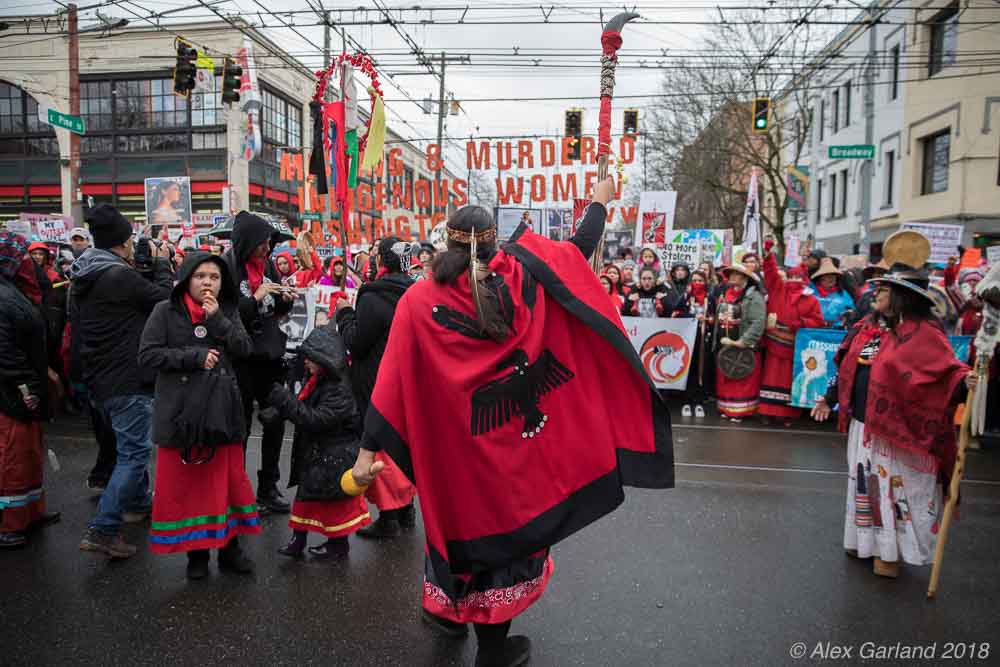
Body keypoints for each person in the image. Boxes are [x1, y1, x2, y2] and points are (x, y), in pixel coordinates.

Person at [350, 177, 673, 667]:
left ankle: (450, 615)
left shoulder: (418, 301)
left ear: (446, 243)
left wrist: (366, 455)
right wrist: (601, 200)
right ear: (493, 243)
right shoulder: (526, 276)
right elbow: (578, 248)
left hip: (457, 457)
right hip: (517, 457)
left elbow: (390, 382)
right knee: (506, 542)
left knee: (458, 530)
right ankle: (492, 652)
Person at [811, 259, 975, 578]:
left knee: (892, 492)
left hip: (896, 434)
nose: (875, 293)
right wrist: (829, 398)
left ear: (902, 297)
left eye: (883, 289)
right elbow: (847, 366)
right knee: (865, 486)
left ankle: (890, 553)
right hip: (863, 426)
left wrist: (963, 381)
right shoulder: (867, 327)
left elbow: (945, 371)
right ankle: (864, 542)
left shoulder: (923, 332)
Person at [138, 252, 259, 579]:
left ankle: (230, 549)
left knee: (225, 484)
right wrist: (193, 357)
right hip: (182, 413)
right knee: (190, 487)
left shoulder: (228, 310)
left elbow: (244, 349)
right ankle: (197, 554)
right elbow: (148, 355)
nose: (208, 283)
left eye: (215, 277)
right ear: (187, 278)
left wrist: (217, 318)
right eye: (201, 276)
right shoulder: (164, 311)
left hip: (220, 412)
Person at [73, 204, 174, 559]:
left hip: (100, 376)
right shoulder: (118, 276)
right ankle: (103, 530)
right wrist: (162, 264)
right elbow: (164, 300)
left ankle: (138, 503)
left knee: (127, 448)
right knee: (134, 454)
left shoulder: (87, 273)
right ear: (123, 242)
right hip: (126, 378)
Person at [334, 237, 418, 538]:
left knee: (379, 446)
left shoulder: (373, 296)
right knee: (403, 443)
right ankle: (406, 509)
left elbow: (356, 342)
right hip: (408, 380)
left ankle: (389, 516)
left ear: (381, 260)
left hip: (377, 381)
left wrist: (345, 313)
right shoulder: (416, 292)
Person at [268, 326, 372, 560]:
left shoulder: (339, 389)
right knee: (306, 499)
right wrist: (278, 411)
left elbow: (315, 420)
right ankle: (298, 541)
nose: (305, 362)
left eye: (310, 358)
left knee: (334, 505)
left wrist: (284, 401)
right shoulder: (321, 378)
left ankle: (337, 545)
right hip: (320, 453)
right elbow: (304, 406)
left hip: (334, 456)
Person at [223, 211, 296, 514]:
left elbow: (274, 304)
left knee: (275, 421)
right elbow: (228, 315)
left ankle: (268, 487)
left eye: (269, 243)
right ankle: (237, 493)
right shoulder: (227, 268)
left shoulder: (266, 266)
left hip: (269, 355)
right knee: (239, 427)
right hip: (241, 359)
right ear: (247, 242)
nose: (267, 249)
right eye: (262, 243)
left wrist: (285, 298)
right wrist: (255, 298)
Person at [0, 233, 61, 548]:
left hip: (24, 389)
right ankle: (9, 524)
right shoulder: (5, 296)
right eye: (23, 255)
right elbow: (5, 354)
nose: (29, 261)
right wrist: (27, 386)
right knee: (12, 458)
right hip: (12, 393)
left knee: (30, 455)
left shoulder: (15, 290)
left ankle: (31, 512)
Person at [757, 242, 825, 426]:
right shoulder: (778, 289)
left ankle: (788, 413)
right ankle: (767, 411)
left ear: (804, 279)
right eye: (791, 276)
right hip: (773, 343)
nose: (794, 280)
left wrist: (801, 323)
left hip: (795, 346)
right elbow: (770, 273)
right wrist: (768, 255)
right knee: (770, 377)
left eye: (798, 277)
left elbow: (818, 321)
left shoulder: (811, 299)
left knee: (791, 381)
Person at [714, 264, 766, 422]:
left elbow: (758, 322)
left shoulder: (754, 297)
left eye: (736, 274)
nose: (732, 277)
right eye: (730, 274)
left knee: (742, 378)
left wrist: (744, 341)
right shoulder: (725, 294)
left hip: (744, 348)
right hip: (725, 346)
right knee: (726, 378)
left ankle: (740, 412)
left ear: (745, 278)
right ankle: (727, 408)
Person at [681, 269, 715, 418]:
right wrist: (691, 316)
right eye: (694, 280)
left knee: (702, 370)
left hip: (703, 340)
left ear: (705, 282)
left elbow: (714, 317)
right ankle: (687, 401)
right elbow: (676, 313)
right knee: (688, 369)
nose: (697, 283)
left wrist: (707, 320)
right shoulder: (686, 297)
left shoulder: (710, 298)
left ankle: (699, 401)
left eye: (700, 281)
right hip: (688, 339)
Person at [811, 257, 855, 328]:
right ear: (820, 278)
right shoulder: (811, 292)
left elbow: (852, 312)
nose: (831, 277)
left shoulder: (843, 294)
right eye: (826, 275)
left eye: (833, 274)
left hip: (836, 331)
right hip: (812, 330)